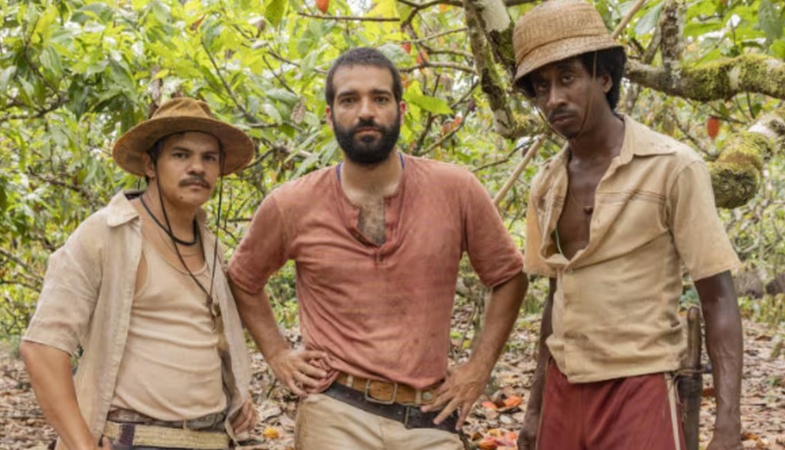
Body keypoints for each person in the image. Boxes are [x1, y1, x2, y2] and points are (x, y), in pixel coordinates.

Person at [227, 47, 529, 450]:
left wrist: (477, 367)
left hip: (429, 414)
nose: (366, 111)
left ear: (401, 109)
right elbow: (243, 278)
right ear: (330, 115)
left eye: (380, 98)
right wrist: (278, 354)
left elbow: (509, 276)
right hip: (335, 410)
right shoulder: (291, 204)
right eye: (349, 100)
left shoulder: (456, 189)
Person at [511, 2, 745, 450]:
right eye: (541, 87)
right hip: (564, 388)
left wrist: (728, 424)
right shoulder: (545, 185)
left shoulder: (673, 168)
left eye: (567, 78)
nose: (554, 98)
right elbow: (556, 299)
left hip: (640, 389)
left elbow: (718, 297)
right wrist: (536, 408)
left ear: (604, 77)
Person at [20, 98, 258, 450]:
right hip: (134, 439)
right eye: (181, 155)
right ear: (150, 164)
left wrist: (236, 395)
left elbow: (203, 336)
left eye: (209, 157)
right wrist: (81, 445)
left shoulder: (211, 244)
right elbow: (42, 348)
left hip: (213, 439)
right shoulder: (106, 233)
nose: (197, 167)